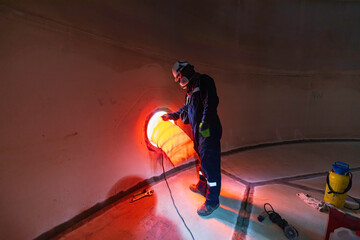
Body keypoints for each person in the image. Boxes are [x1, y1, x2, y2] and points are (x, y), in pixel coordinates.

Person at [162, 61, 222, 216]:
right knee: (202, 162)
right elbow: (185, 110)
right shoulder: (189, 91)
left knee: (209, 163)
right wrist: (171, 116)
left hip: (208, 131)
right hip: (198, 132)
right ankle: (203, 186)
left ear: (187, 71)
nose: (180, 81)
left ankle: (212, 201)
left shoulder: (204, 80)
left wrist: (205, 123)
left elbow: (211, 103)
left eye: (180, 76)